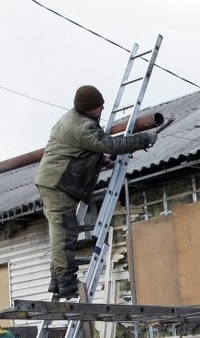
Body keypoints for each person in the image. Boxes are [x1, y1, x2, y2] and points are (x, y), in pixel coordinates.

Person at [35, 85, 159, 297]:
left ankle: (58, 282)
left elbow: (78, 153)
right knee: (64, 233)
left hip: (56, 181)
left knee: (62, 232)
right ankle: (66, 282)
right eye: (99, 105)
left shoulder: (73, 120)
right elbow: (108, 144)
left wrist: (100, 161)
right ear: (88, 108)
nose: (103, 107)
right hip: (58, 183)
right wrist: (143, 140)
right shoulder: (82, 127)